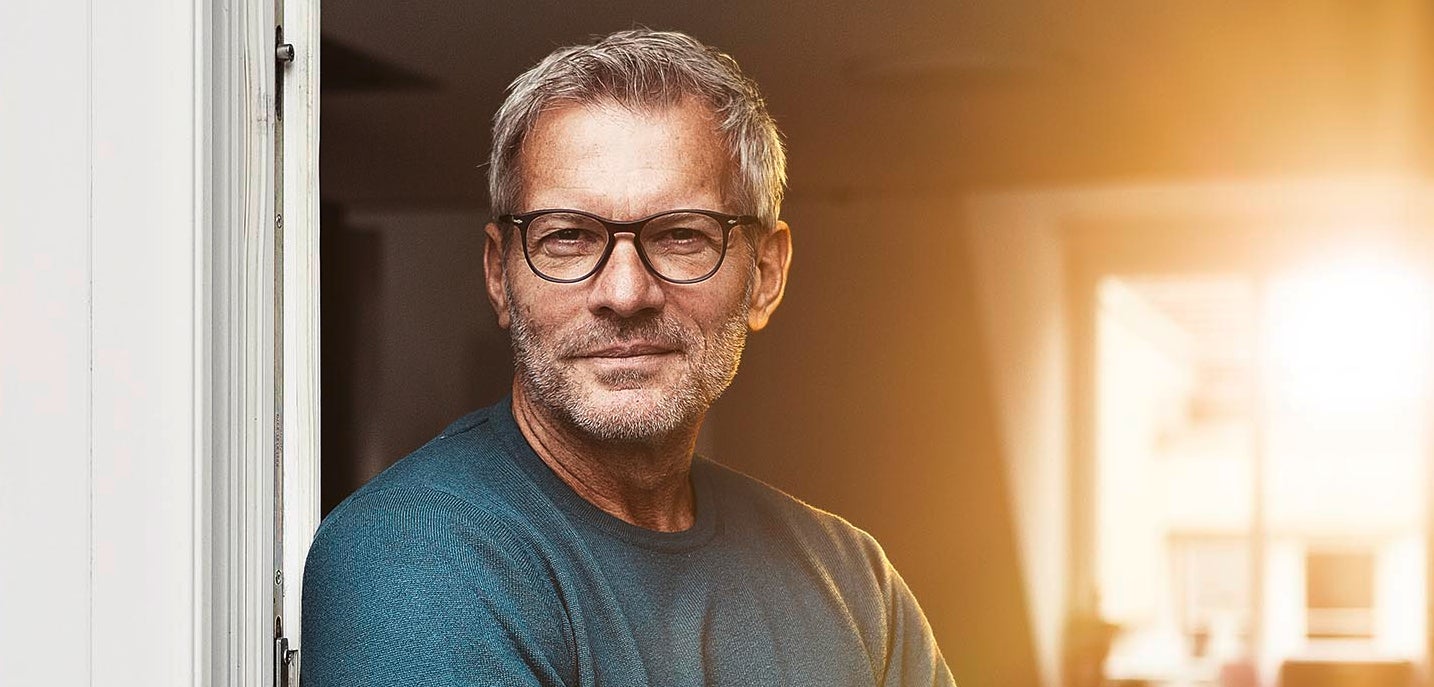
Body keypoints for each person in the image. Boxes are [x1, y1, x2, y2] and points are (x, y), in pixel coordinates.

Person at [301, 28, 956, 687]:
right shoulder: (414, 552)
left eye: (679, 235)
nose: (624, 292)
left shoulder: (852, 581)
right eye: (568, 237)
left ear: (764, 273)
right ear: (501, 274)